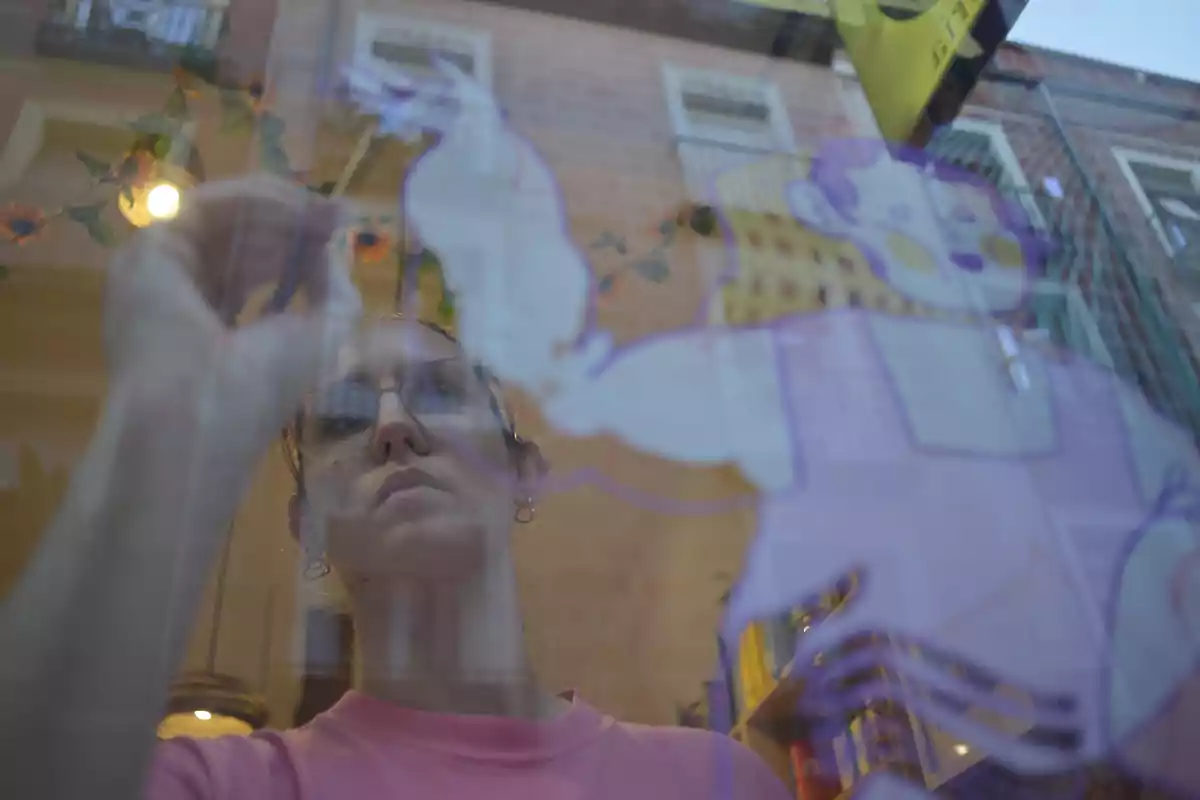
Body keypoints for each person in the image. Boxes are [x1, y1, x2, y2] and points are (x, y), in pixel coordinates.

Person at [0, 176, 790, 800]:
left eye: (438, 393)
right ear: (306, 527)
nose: (390, 426)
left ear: (524, 471)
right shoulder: (221, 787)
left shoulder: (713, 783)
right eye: (343, 416)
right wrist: (167, 418)